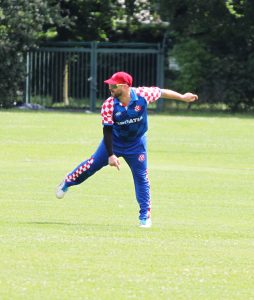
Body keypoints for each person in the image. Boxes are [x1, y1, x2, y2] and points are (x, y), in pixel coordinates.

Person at [56, 71, 198, 228]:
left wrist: (183, 97)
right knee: (92, 165)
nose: (110, 88)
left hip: (136, 144)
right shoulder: (109, 104)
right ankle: (68, 181)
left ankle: (145, 216)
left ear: (124, 86)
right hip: (114, 142)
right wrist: (110, 155)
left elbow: (162, 92)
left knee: (142, 177)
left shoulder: (143, 94)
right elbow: (107, 130)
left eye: (113, 85)